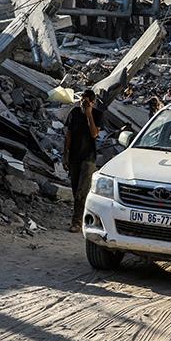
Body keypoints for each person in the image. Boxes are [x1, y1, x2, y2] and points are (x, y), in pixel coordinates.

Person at [64, 89, 103, 233]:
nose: (83, 104)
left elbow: (94, 133)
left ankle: (77, 221)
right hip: (74, 157)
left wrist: (89, 115)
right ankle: (84, 217)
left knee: (82, 191)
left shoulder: (97, 115)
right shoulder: (74, 113)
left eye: (87, 102)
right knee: (76, 190)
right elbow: (68, 135)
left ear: (92, 103)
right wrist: (65, 154)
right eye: (82, 101)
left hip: (88, 158)